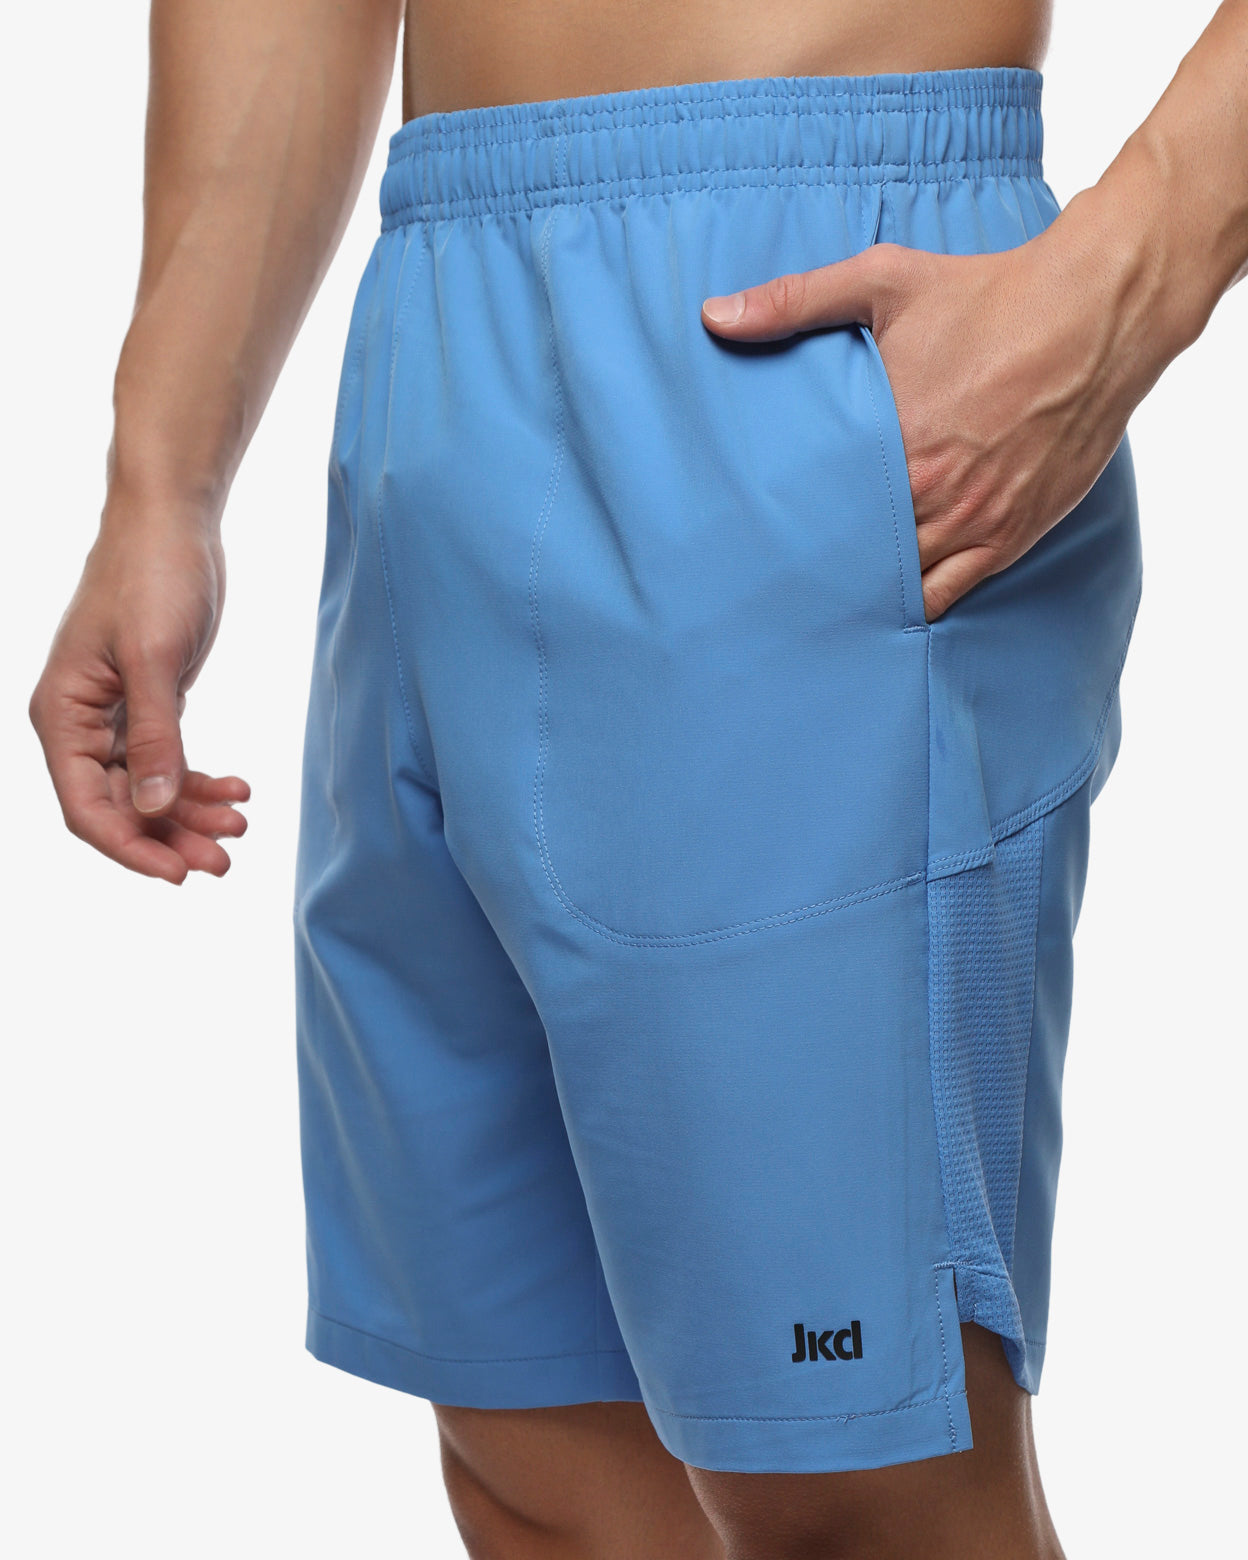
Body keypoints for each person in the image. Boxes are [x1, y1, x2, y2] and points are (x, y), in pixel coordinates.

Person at [26, 2, 1247, 1556]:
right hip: (437, 361)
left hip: (803, 312)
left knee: (855, 1486)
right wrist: (163, 477)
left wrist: (1130, 270)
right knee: (540, 1467)